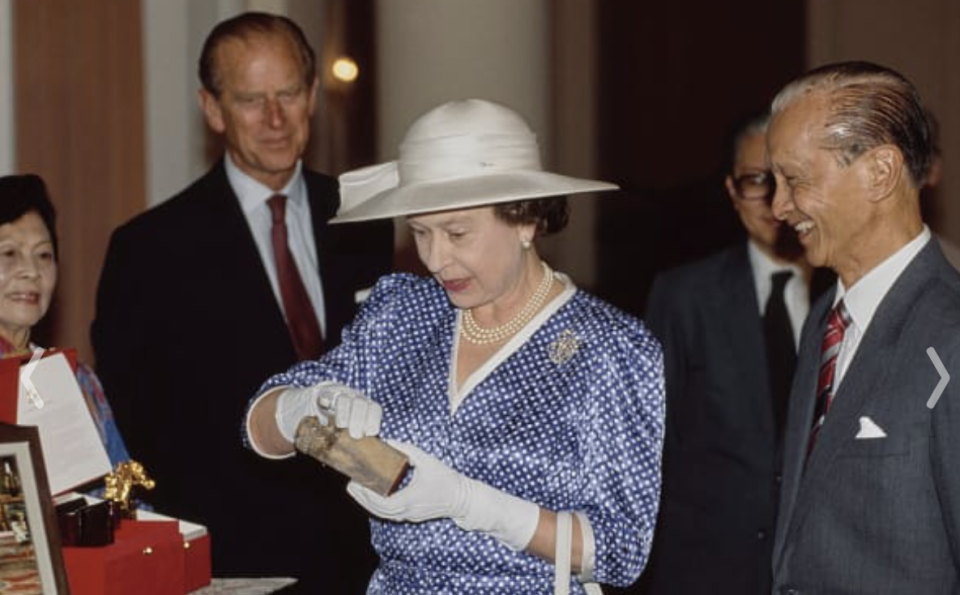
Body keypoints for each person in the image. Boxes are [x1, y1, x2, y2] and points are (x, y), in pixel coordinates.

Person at [243, 98, 665, 594]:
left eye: (457, 233)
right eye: (420, 232)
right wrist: (302, 407)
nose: (436, 258)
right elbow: (258, 427)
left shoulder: (611, 348)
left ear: (525, 219)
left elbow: (620, 551)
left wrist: (468, 502)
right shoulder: (403, 313)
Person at [90, 12, 393, 593]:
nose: (275, 119)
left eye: (288, 94)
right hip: (235, 562)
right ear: (212, 109)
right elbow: (140, 430)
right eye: (252, 99)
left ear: (311, 96)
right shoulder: (148, 249)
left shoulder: (364, 220)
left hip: (366, 555)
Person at [767, 61, 960, 593]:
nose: (779, 206)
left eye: (796, 179)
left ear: (880, 172)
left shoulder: (950, 337)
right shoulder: (824, 322)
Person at [640, 112, 827, 595]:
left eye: (789, 178)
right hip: (706, 571)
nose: (771, 197)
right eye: (753, 180)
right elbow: (654, 448)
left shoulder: (848, 294)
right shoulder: (684, 297)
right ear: (730, 190)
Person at [0, 174, 129, 467]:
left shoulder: (77, 379)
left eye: (44, 255)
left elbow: (118, 489)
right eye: (9, 253)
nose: (31, 271)